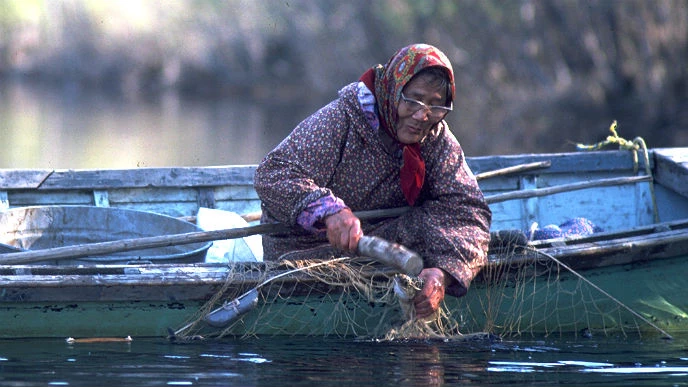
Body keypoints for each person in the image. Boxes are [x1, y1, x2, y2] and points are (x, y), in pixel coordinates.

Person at [254, 43, 492, 319]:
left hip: (381, 244)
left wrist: (442, 275)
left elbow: (468, 211)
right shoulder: (342, 119)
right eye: (413, 100)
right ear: (393, 90)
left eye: (436, 105)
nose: (421, 115)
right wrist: (329, 211)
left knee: (443, 222)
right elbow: (273, 173)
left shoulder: (435, 136)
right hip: (303, 253)